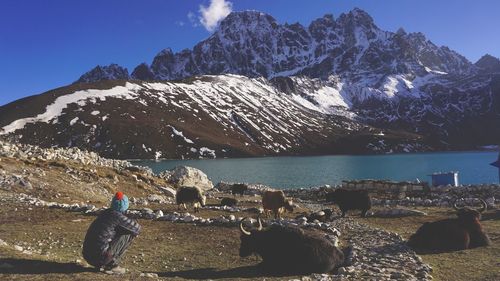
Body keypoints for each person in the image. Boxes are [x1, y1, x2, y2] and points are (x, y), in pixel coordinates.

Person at [82, 191, 141, 274]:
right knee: (128, 233)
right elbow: (137, 228)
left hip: (88, 256)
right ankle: (111, 265)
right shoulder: (117, 216)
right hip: (100, 257)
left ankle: (104, 263)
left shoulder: (105, 213)